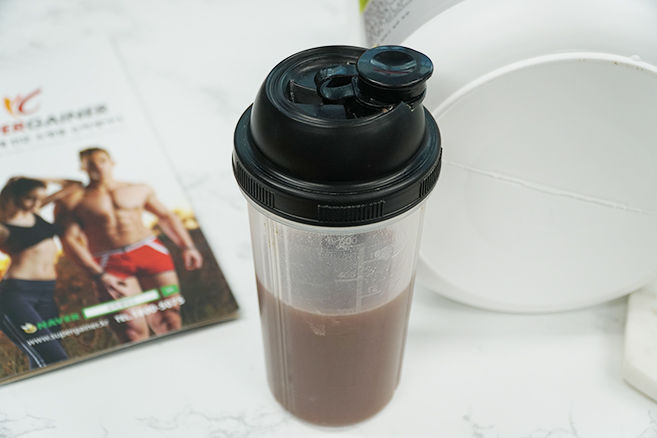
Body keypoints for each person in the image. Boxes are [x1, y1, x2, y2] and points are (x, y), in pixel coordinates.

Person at [55, 147, 203, 343]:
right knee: (131, 331)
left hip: (149, 251)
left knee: (170, 320)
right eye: (90, 163)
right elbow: (69, 240)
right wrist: (97, 274)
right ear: (82, 168)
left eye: (102, 160)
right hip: (109, 262)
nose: (98, 166)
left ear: (112, 162)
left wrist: (187, 246)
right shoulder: (73, 200)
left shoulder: (138, 189)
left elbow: (166, 216)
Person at [0, 177, 80, 369]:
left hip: (46, 294)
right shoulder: (3, 225)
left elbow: (74, 185)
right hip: (16, 296)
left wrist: (38, 180)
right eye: (30, 198)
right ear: (14, 197)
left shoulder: (33, 211)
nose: (37, 203)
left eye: (40, 198)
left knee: (44, 358)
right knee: (54, 359)